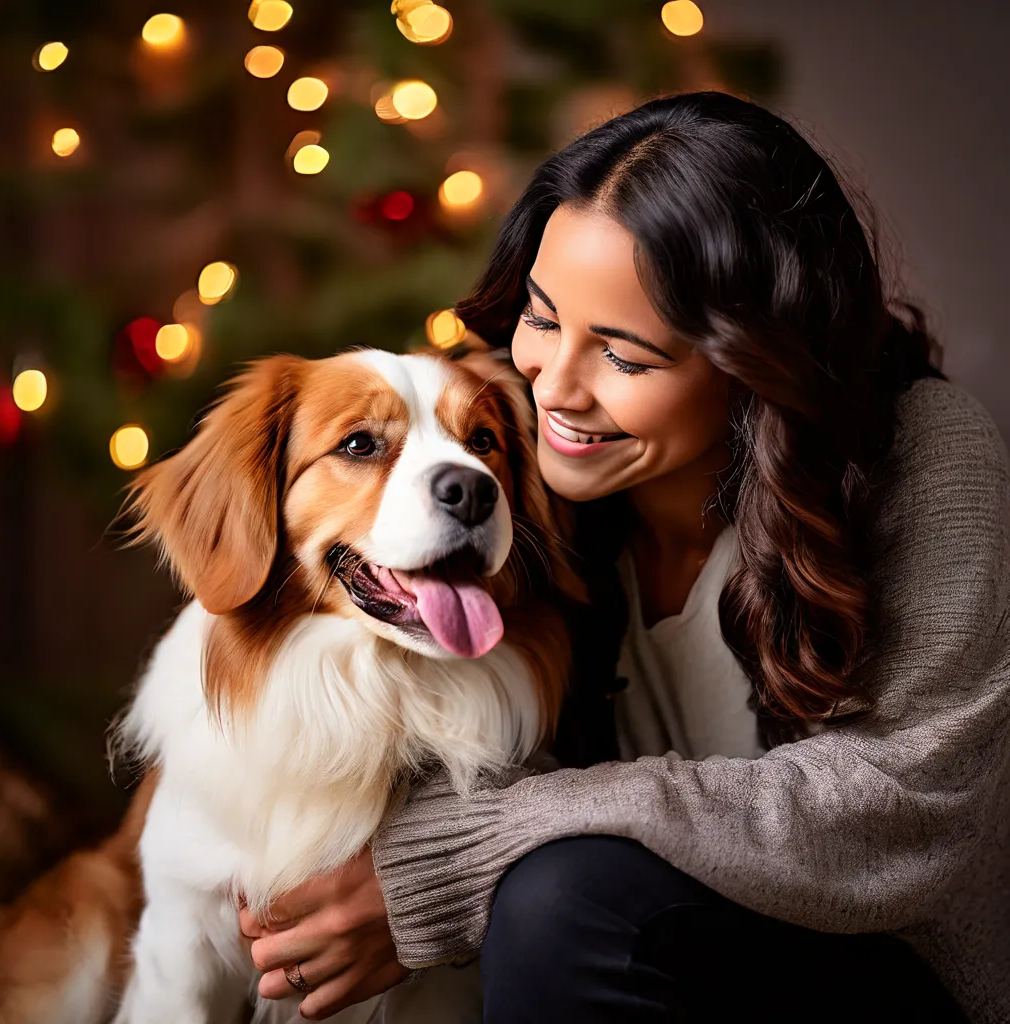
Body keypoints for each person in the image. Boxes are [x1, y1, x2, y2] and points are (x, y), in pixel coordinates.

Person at [238, 92, 1009, 1023]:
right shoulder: (511, 457)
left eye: (626, 357)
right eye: (542, 316)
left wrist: (458, 859)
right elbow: (425, 723)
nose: (554, 387)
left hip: (884, 980)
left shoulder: (924, 456)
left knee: (558, 897)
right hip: (626, 973)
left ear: (752, 362)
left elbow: (896, 808)